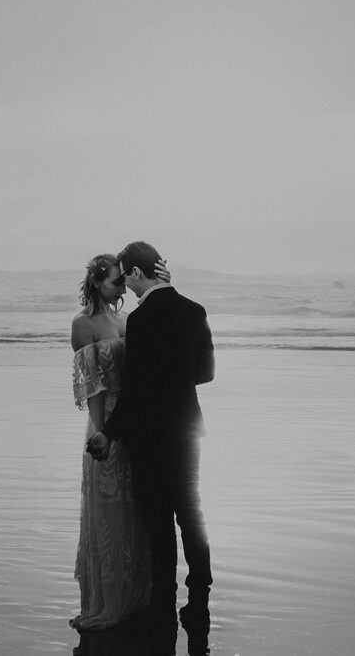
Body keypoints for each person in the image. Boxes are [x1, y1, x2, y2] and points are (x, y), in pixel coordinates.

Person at [87, 241, 215, 656]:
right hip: (187, 428)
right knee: (191, 514)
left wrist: (111, 432)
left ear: (140, 274)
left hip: (149, 435)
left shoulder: (141, 320)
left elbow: (136, 389)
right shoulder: (195, 310)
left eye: (127, 276)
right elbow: (206, 373)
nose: (126, 283)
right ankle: (199, 599)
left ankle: (164, 600)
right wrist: (176, 381)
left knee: (159, 522)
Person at [69, 253, 168, 631]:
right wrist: (101, 431)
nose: (121, 288)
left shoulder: (126, 319)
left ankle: (135, 596)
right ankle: (107, 601)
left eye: (123, 282)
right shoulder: (83, 324)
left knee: (134, 511)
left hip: (132, 419)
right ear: (97, 282)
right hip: (106, 421)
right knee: (109, 511)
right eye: (114, 282)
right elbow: (92, 384)